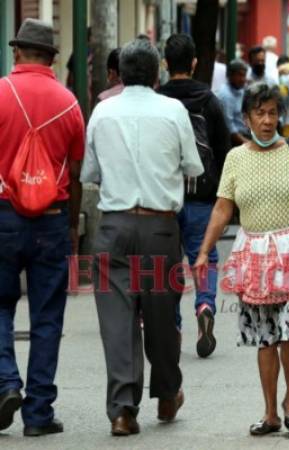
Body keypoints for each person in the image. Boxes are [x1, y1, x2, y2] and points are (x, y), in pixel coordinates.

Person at [194, 83, 289, 436]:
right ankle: (271, 413)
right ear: (247, 118)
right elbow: (223, 207)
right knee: (265, 336)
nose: (268, 120)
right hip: (255, 255)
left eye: (273, 112)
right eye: (260, 113)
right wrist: (202, 252)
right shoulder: (235, 159)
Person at [81, 38, 204, 436]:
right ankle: (167, 393)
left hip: (113, 226)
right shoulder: (173, 110)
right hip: (159, 226)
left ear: (118, 71)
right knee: (160, 318)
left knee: (117, 323)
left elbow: (90, 173)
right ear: (156, 74)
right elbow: (192, 166)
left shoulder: (101, 111)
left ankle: (122, 410)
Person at [0, 18, 84, 437]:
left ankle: (4, 383)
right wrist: (73, 227)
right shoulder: (69, 103)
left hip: (2, 215)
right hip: (51, 219)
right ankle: (38, 414)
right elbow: (76, 167)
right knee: (47, 318)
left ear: (17, 52)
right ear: (51, 57)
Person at [158, 34, 231, 357]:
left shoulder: (157, 100)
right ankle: (205, 306)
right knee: (205, 257)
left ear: (164, 63)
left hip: (164, 197)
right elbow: (223, 149)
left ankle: (173, 327)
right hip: (203, 195)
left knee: (169, 264)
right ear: (194, 63)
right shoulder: (209, 100)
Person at [217, 59, 249, 146]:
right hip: (234, 140)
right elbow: (229, 126)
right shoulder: (226, 95)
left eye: (244, 75)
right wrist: (247, 143)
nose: (243, 79)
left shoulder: (241, 89)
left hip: (245, 133)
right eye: (239, 75)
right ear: (230, 75)